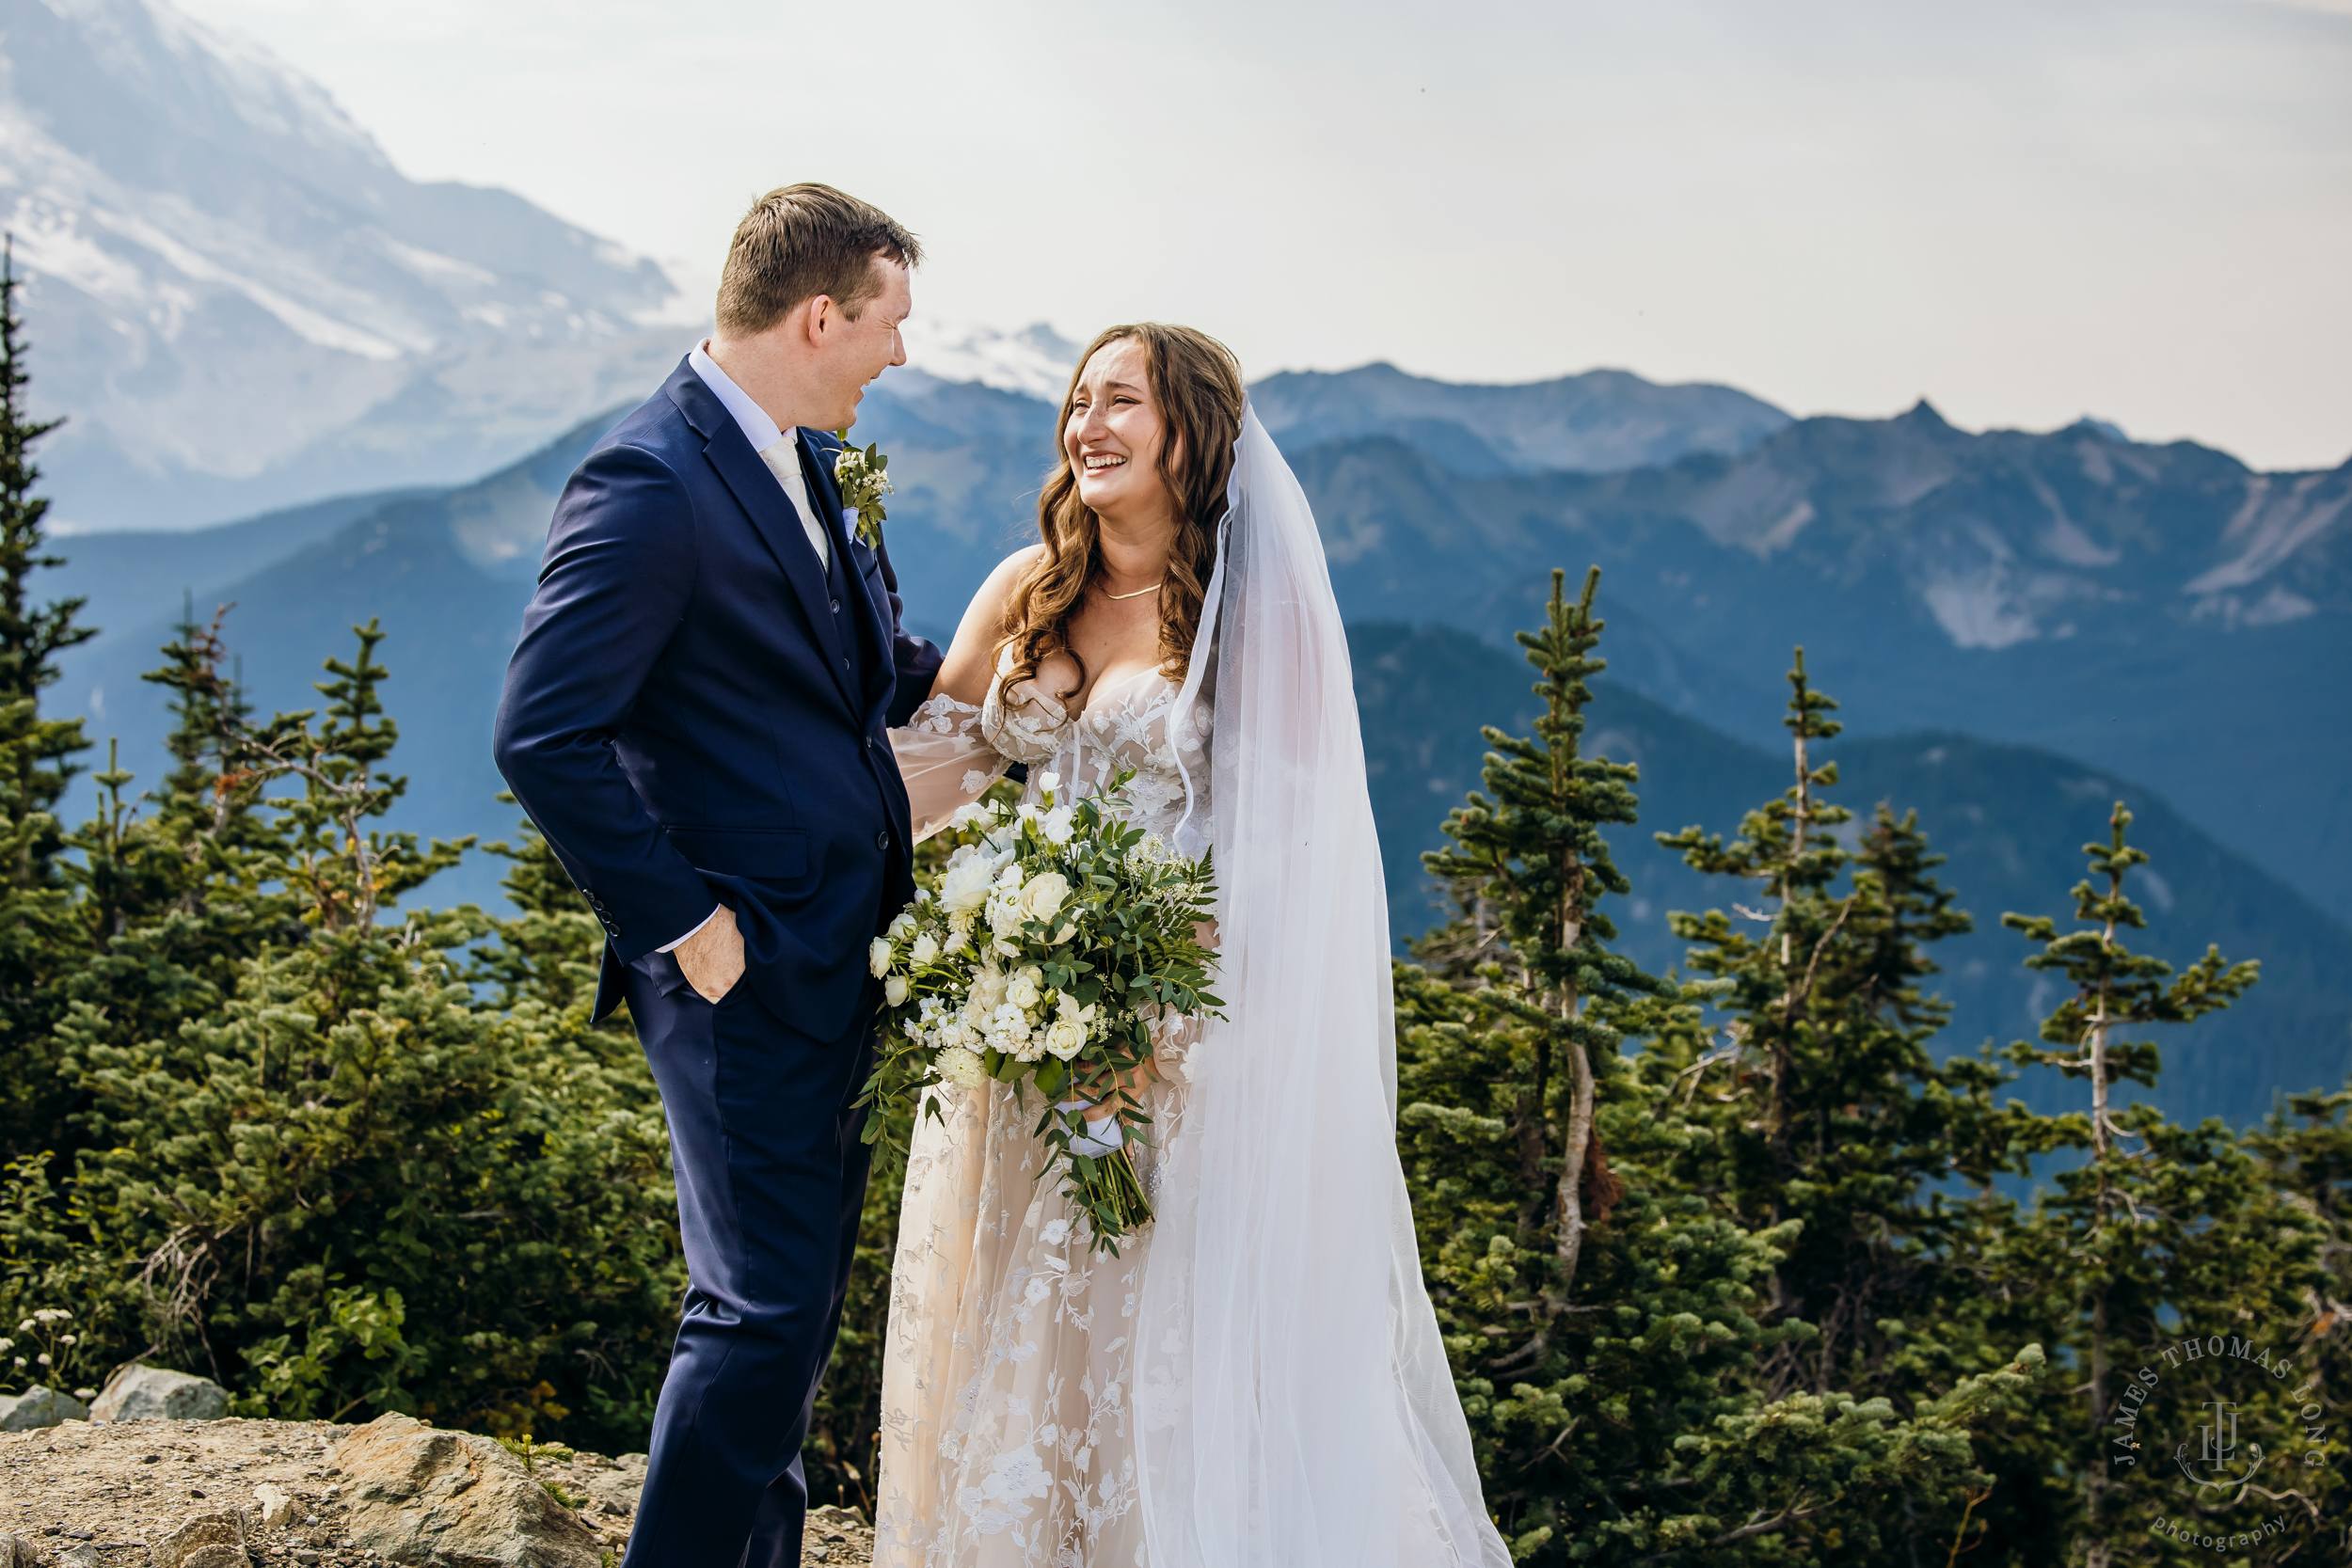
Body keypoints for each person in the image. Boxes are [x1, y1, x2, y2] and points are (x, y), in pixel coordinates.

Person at [875, 324, 1511, 1567]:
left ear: (1192, 432)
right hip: (1017, 1029)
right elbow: (940, 765)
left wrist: (1143, 1019)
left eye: (1124, 401)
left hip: (1177, 1039)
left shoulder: (1249, 615)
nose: (1088, 425)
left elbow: (1287, 853)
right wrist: (758, 795)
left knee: (1143, 1326)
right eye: (1078, 401)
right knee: (1010, 1314)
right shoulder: (1027, 585)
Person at [491, 182, 942, 1568]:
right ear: (820, 316)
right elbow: (539, 734)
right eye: (888, 324)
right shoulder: (653, 481)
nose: (900, 356)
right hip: (740, 969)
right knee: (753, 1312)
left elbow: (865, 677)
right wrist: (686, 924)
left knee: (789, 1316)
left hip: (830, 958)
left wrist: (1053, 660)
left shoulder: (795, 456)